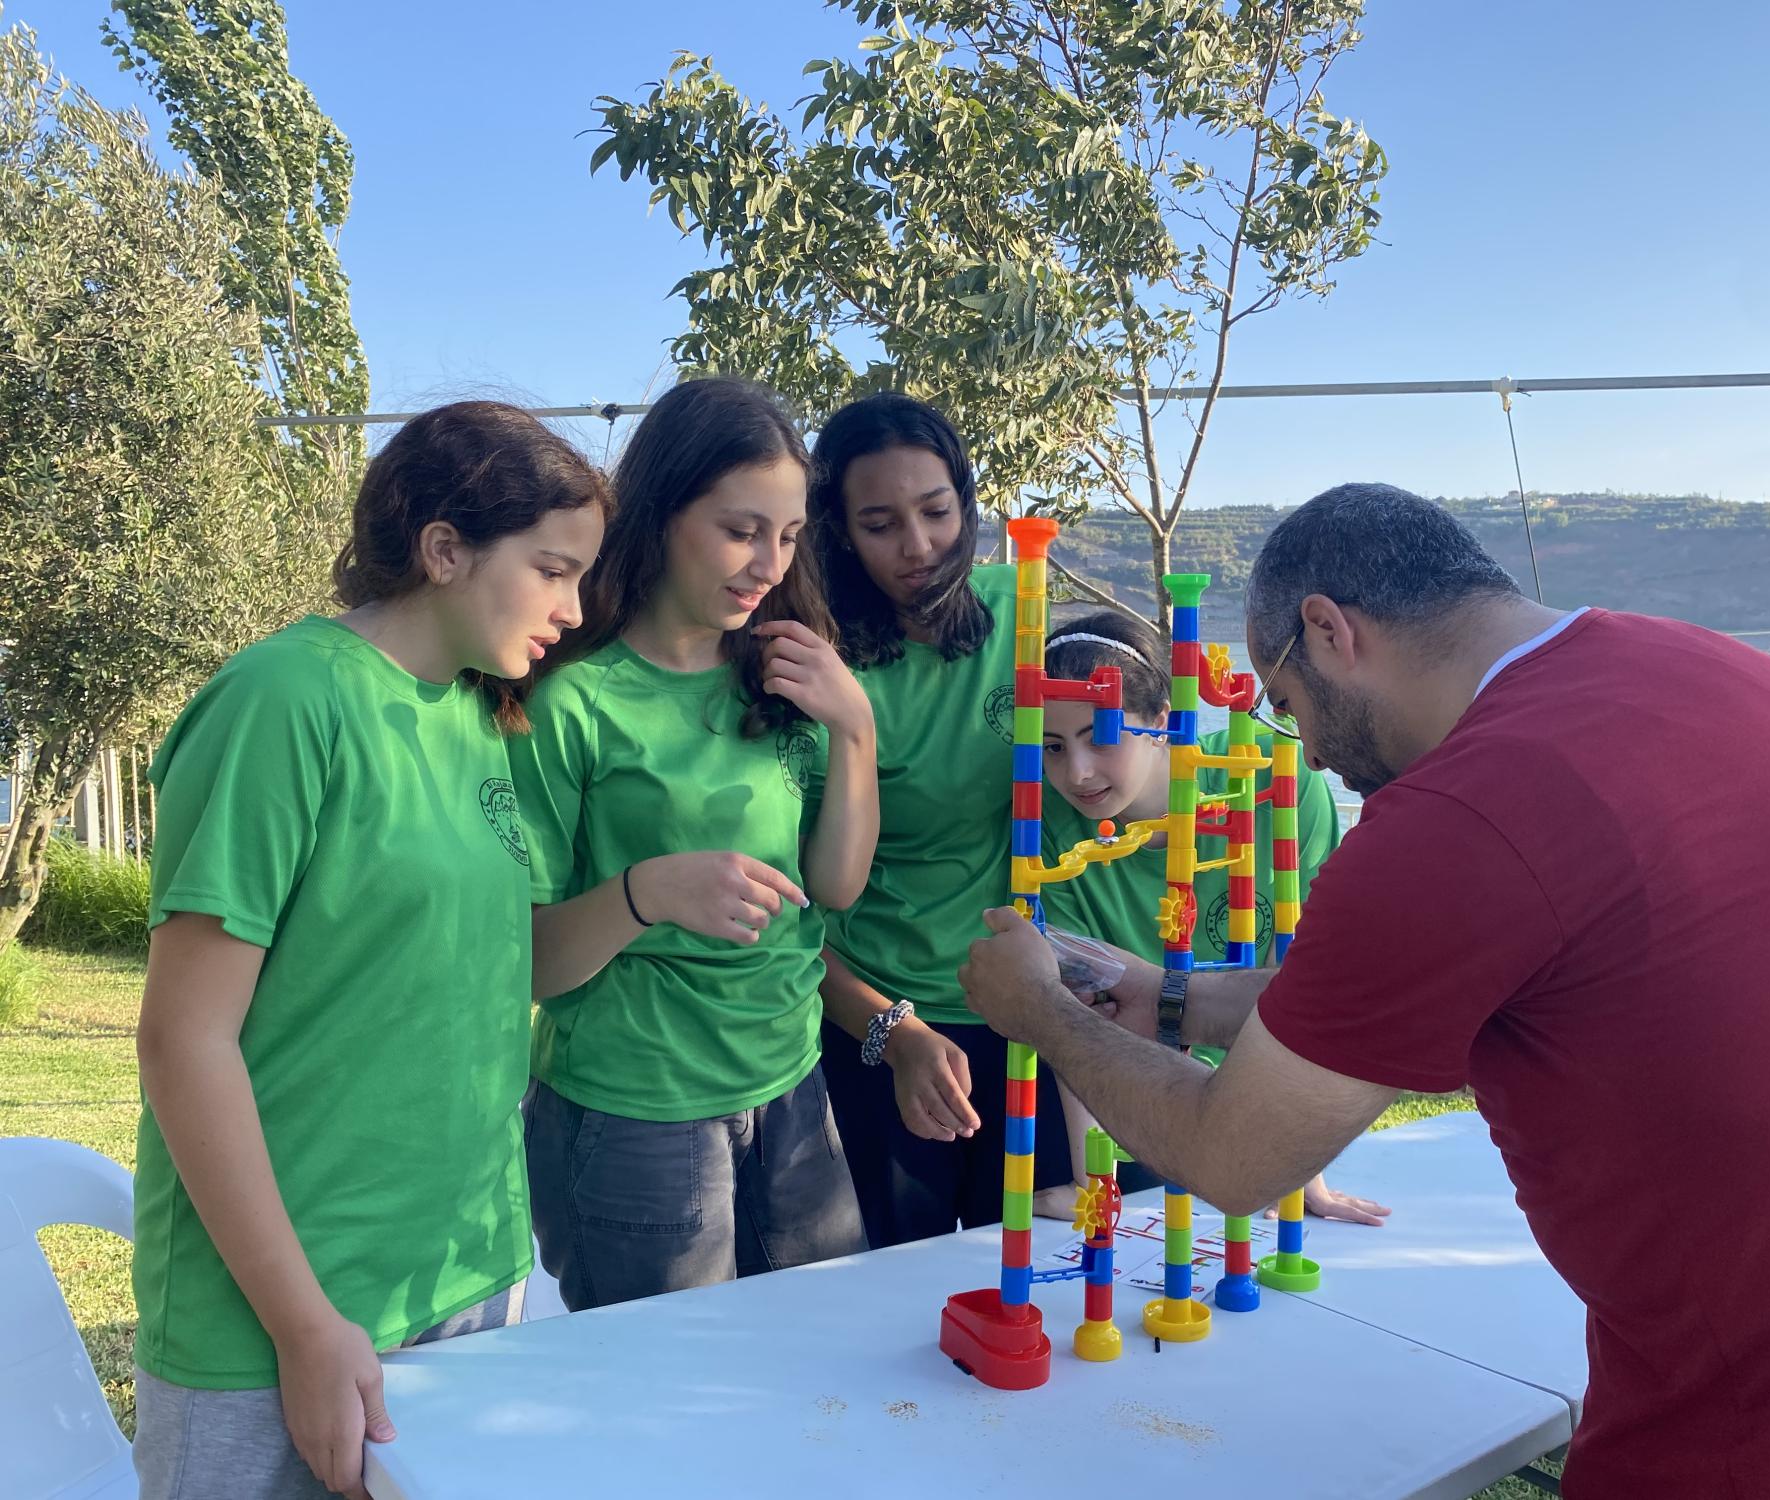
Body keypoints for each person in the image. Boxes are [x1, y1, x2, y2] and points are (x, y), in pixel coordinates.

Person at [958, 482, 1770, 1499]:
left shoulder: (1459, 815)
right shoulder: (1701, 669)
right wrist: (1174, 1001)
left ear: (1328, 631)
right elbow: (1483, 985)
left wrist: (1041, 1011)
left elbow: (1233, 1158)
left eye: (1286, 708)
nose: (1305, 752)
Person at [132, 402, 608, 1499]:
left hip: (462, 1280)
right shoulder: (283, 701)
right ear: (444, 549)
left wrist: (645, 897)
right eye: (552, 570)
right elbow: (183, 1041)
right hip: (274, 1320)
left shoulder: (478, 716)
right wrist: (304, 1327)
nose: (574, 609)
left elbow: (488, 972)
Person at [511, 378, 878, 1307]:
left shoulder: (787, 675)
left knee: (818, 1348)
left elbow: (835, 887)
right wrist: (647, 893)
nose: (768, 564)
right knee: (662, 1380)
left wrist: (855, 729)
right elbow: (528, 963)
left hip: (792, 1084)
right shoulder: (574, 703)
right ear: (662, 513)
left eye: (788, 536)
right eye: (741, 530)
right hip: (637, 1108)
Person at [805, 391, 1079, 1248]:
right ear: (838, 531)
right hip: (877, 1024)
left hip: (1025, 1012)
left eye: (936, 511)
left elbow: (1119, 762)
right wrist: (893, 1033)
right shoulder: (820, 663)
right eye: (880, 523)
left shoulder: (1025, 611)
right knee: (894, 1289)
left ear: (967, 501)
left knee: (1038, 1273)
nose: (919, 546)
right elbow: (791, 911)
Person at [1032, 611, 1388, 1227]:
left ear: (1162, 720)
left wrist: (1296, 1169)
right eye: (1053, 747)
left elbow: (1302, 984)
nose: (1077, 772)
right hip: (1135, 1103)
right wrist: (1094, 1185)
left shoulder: (1273, 778)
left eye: (1101, 736)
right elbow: (1078, 1018)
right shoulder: (1045, 834)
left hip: (1256, 1102)